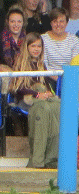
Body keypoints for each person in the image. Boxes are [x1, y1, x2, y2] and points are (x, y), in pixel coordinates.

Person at [11, 33, 60, 169]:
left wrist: (48, 93)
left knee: (57, 106)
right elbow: (18, 88)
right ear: (26, 47)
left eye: (39, 46)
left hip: (41, 98)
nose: (36, 49)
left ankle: (51, 158)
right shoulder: (20, 62)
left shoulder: (41, 64)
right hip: (25, 100)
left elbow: (46, 85)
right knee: (44, 108)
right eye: (33, 46)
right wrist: (37, 94)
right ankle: (38, 159)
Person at [41, 7, 79, 72]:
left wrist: (65, 79)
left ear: (67, 23)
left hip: (69, 77)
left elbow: (74, 65)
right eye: (55, 21)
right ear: (51, 23)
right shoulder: (43, 39)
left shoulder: (74, 40)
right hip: (48, 77)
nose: (58, 25)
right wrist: (57, 79)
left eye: (61, 21)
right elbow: (44, 65)